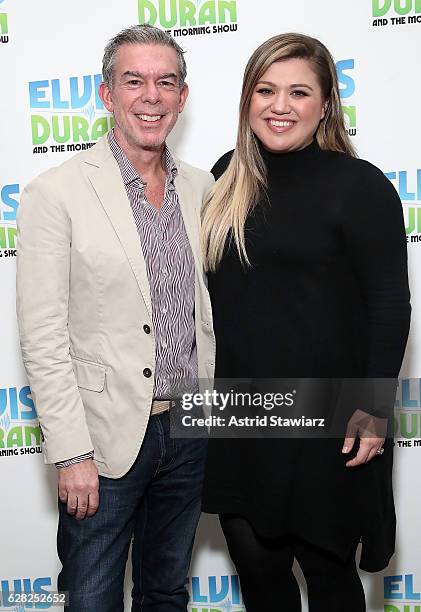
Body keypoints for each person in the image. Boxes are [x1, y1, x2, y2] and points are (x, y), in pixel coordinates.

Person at [201, 33, 410, 611]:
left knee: (330, 576)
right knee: (259, 576)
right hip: (241, 414)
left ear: (325, 105)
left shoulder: (361, 186)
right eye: (265, 90)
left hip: (331, 415)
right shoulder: (225, 179)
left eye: (298, 92)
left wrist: (373, 408)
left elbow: (391, 304)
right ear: (247, 99)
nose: (280, 105)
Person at [16, 24, 215, 612]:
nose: (150, 97)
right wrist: (71, 452)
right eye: (134, 81)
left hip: (190, 431)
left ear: (183, 96)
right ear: (106, 94)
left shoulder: (205, 188)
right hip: (103, 441)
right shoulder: (55, 193)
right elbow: (43, 334)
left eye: (166, 82)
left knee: (166, 591)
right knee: (93, 597)